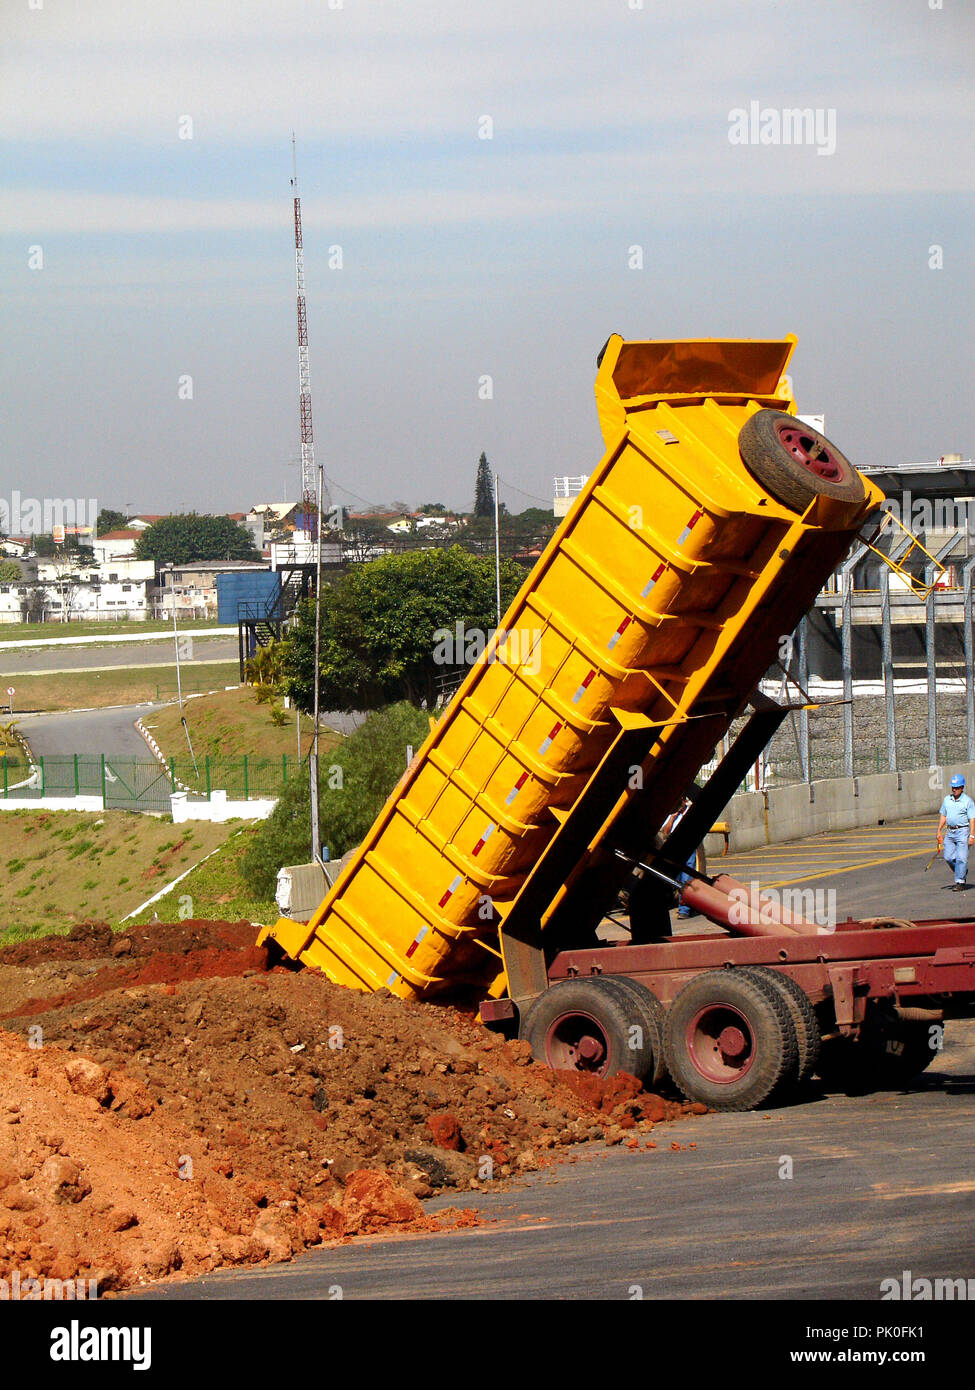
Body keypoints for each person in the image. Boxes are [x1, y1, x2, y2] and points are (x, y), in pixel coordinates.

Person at [938, 774, 975, 891]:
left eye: (957, 787)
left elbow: (972, 819)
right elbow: (943, 815)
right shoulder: (947, 800)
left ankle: (960, 881)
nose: (954, 789)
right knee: (948, 857)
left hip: (962, 831)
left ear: (962, 787)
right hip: (950, 831)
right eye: (953, 787)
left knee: (961, 858)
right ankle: (962, 870)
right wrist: (939, 830)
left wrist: (972, 835)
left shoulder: (968, 801)